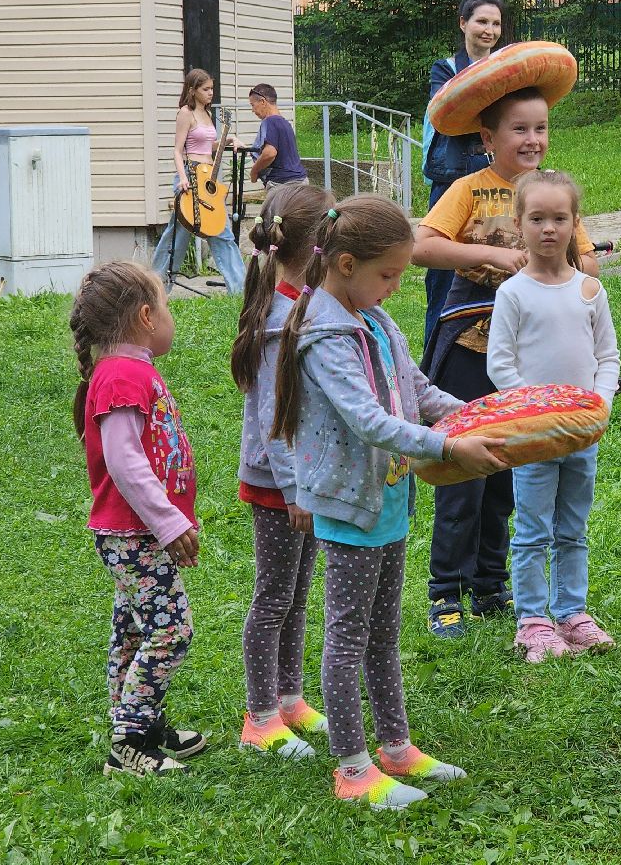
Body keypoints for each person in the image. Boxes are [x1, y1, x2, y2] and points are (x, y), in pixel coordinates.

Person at [272, 194, 506, 810]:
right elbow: (369, 419)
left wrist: (488, 418)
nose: (397, 287)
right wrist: (450, 446)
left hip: (390, 496)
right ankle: (352, 768)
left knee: (382, 634)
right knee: (348, 638)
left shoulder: (374, 317)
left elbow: (418, 389)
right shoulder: (324, 333)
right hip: (350, 507)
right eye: (390, 274)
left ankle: (395, 746)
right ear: (345, 263)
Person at [412, 43, 596, 639]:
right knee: (464, 471)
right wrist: (493, 253)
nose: (534, 139)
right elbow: (423, 245)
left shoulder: (551, 198)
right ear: (488, 138)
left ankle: (491, 583)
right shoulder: (471, 188)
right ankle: (446, 591)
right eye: (520, 129)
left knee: (507, 476)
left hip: (529, 363)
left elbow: (585, 262)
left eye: (541, 127)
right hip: (470, 353)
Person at [70, 260, 206, 777]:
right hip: (135, 534)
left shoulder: (125, 371)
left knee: (133, 628)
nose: (171, 316)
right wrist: (169, 524)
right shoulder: (122, 375)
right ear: (147, 316)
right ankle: (128, 740)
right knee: (171, 629)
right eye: (167, 307)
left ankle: (142, 722)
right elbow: (125, 461)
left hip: (131, 533)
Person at [485, 170, 620, 662]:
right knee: (533, 528)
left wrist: (598, 403)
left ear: (574, 223)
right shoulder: (513, 293)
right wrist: (536, 412)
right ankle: (533, 619)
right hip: (536, 436)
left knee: (573, 526)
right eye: (537, 218)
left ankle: (571, 611)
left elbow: (607, 356)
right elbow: (500, 362)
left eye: (559, 218)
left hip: (583, 434)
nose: (548, 229)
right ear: (518, 223)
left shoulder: (590, 289)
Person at [230, 181, 335, 759]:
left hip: (301, 479)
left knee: (296, 593)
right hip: (280, 484)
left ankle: (290, 697)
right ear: (319, 248)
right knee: (274, 596)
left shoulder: (292, 303)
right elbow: (276, 418)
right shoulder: (281, 318)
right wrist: (296, 489)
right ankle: (260, 716)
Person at [422, 0, 506, 347]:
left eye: (496, 24)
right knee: (443, 274)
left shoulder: (507, 64)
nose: (489, 30)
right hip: (453, 177)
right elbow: (451, 113)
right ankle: (434, 362)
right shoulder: (445, 69)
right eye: (482, 22)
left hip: (497, 172)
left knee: (495, 270)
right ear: (463, 24)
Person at [150, 68, 247, 294]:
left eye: (212, 89)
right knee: (178, 235)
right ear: (193, 91)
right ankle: (155, 288)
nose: (210, 93)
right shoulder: (186, 113)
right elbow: (177, 150)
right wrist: (183, 178)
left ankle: (241, 290)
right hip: (190, 175)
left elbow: (207, 145)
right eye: (206, 89)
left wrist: (230, 139)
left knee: (221, 231)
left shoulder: (207, 113)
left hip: (208, 176)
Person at [237, 83, 308, 187]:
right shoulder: (285, 123)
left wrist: (254, 171)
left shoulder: (270, 121)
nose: (252, 110)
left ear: (262, 101)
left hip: (282, 184)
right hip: (301, 180)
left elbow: (270, 153)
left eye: (252, 105)